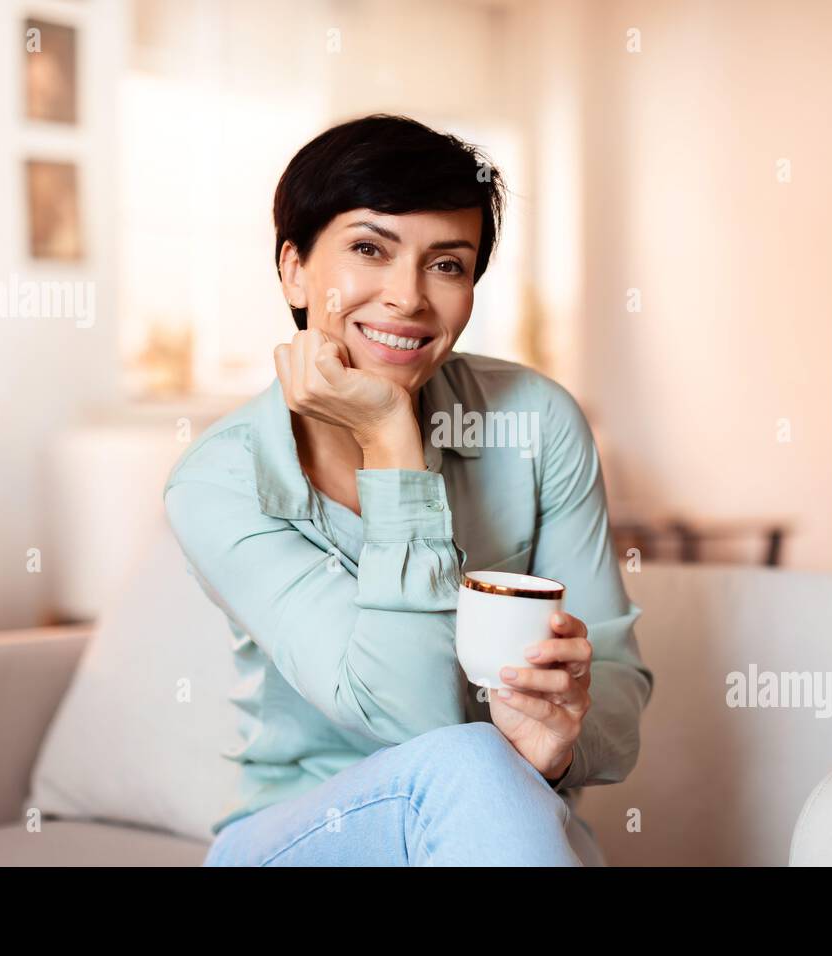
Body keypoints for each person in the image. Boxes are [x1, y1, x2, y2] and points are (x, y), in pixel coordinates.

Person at [163, 114, 653, 866]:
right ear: (294, 268)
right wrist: (393, 442)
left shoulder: (534, 422)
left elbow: (616, 691)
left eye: (447, 265)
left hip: (504, 826)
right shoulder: (222, 481)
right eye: (369, 250)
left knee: (491, 773)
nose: (408, 298)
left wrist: (559, 742)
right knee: (470, 759)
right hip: (306, 838)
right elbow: (412, 719)